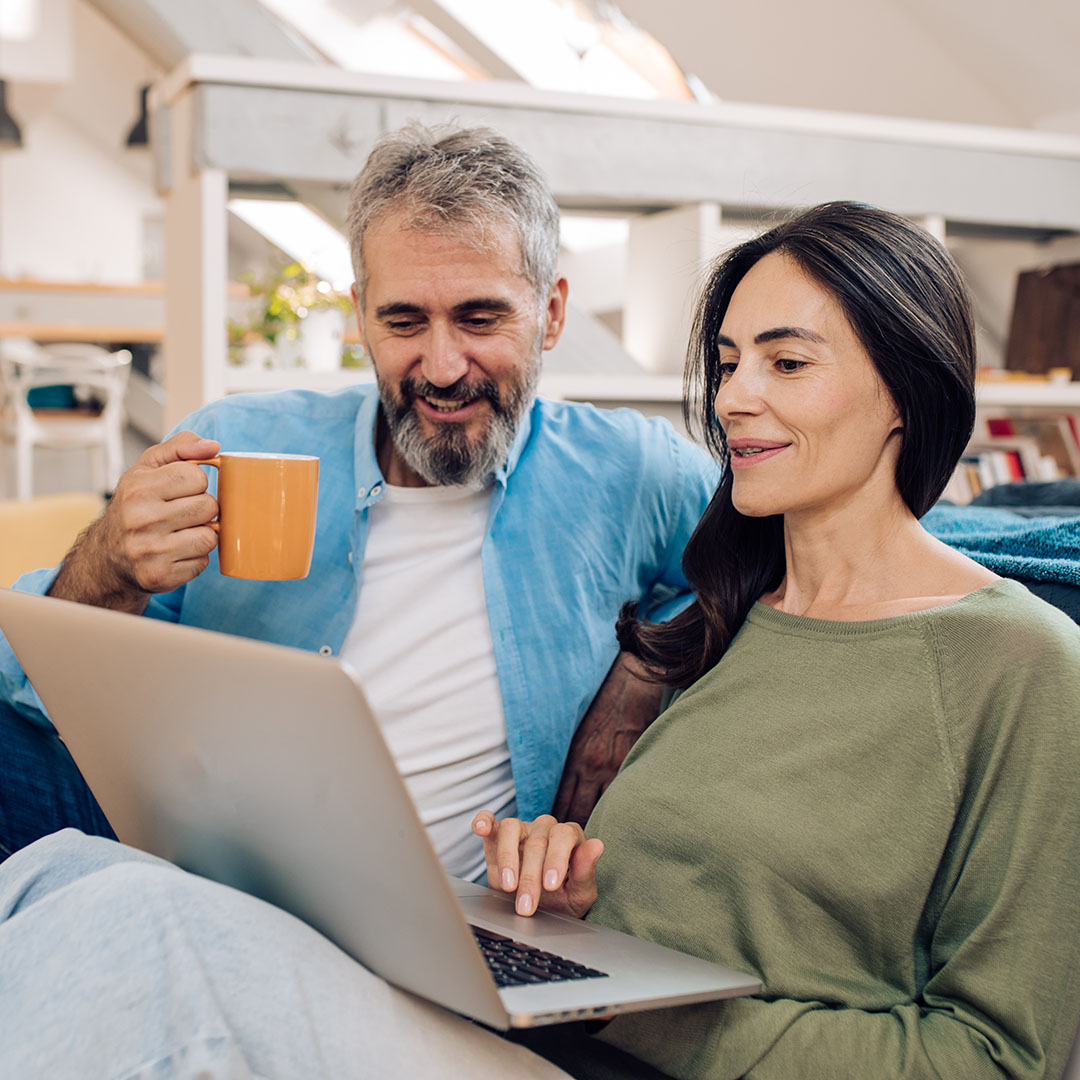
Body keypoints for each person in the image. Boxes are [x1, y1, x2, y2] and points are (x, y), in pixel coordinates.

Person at [3, 201, 1077, 1080]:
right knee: (69, 873)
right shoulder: (724, 612)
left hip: (602, 1047)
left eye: (786, 365)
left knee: (150, 937)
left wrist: (631, 1011)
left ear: (910, 386)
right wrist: (559, 894)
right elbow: (673, 889)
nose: (734, 400)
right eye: (729, 360)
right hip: (526, 1018)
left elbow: (1001, 1057)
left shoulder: (1018, 668)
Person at [0, 123, 719, 872]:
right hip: (195, 854)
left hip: (435, 915)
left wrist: (647, 666)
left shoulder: (630, 471)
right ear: (360, 315)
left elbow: (771, 561)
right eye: (404, 321)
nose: (441, 367)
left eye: (480, 318)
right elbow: (27, 692)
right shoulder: (233, 443)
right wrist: (107, 565)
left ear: (552, 314)